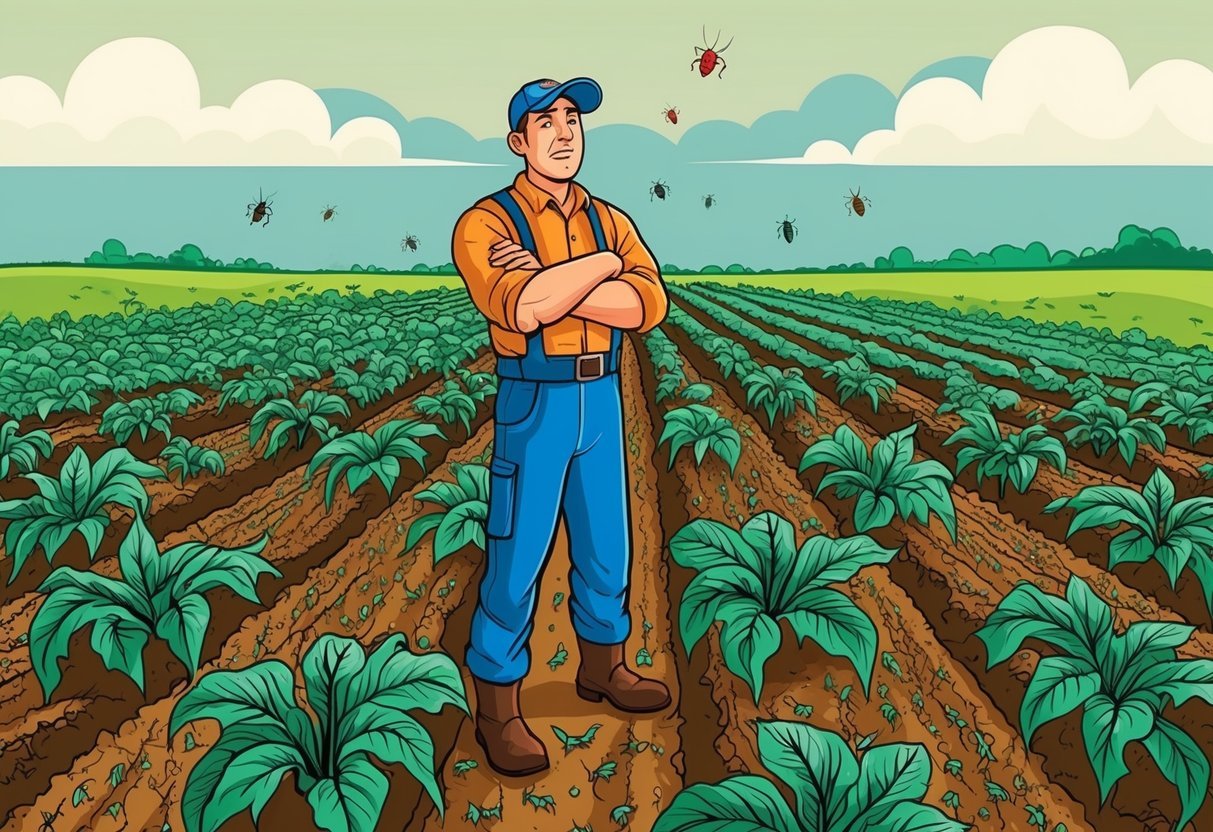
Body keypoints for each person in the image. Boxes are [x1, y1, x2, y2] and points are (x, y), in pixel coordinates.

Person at [450, 76, 671, 777]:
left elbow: (647, 307)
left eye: (572, 118)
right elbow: (521, 310)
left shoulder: (610, 220)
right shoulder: (485, 224)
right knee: (517, 555)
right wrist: (601, 272)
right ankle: (498, 706)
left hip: (600, 395)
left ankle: (603, 666)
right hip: (535, 401)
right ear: (518, 141)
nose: (564, 132)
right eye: (545, 121)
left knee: (609, 542)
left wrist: (559, 277)